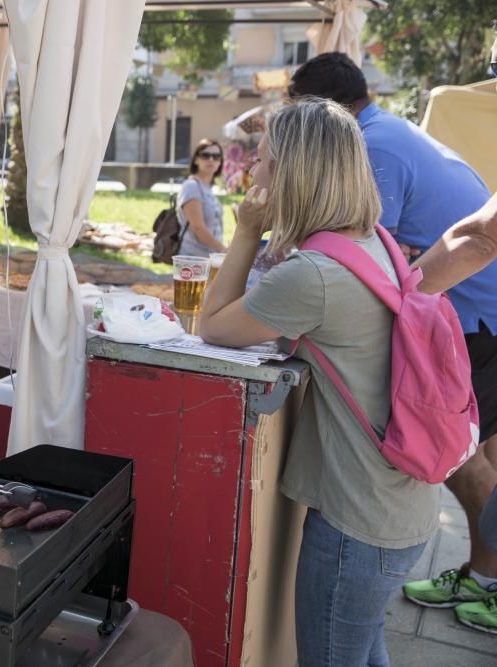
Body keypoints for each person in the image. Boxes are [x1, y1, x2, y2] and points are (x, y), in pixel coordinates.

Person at [200, 99, 434, 666]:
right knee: (364, 651)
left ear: (296, 172)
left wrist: (247, 233)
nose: (251, 173)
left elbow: (212, 325)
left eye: (263, 160)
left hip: (358, 521)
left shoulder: (315, 275)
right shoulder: (371, 239)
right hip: (399, 507)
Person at [289, 51, 497, 634]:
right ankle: (483, 574)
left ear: (320, 113)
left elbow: (355, 247)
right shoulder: (387, 129)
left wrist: (386, 297)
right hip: (477, 309)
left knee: (456, 453)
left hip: (474, 315)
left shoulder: (369, 146)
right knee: (476, 450)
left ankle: (490, 581)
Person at [176, 139, 227, 256]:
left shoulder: (208, 188)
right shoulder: (191, 186)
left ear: (220, 162)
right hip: (192, 259)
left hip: (208, 258)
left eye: (216, 156)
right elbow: (198, 227)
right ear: (196, 159)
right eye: (205, 155)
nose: (211, 160)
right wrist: (223, 250)